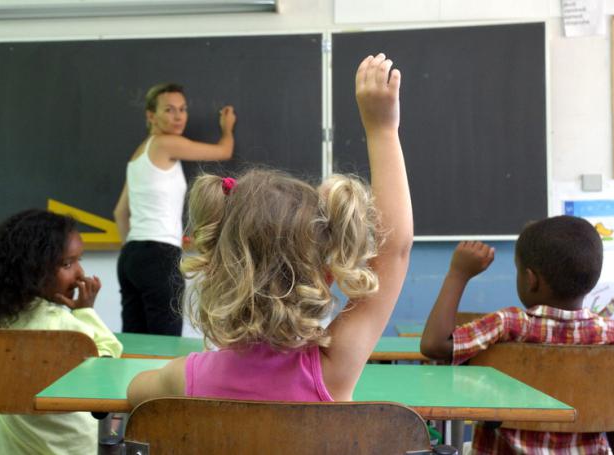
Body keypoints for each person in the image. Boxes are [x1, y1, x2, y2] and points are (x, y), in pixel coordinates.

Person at [127, 52, 412, 404]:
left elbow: (133, 391)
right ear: (325, 276)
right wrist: (382, 129)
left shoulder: (183, 379)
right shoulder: (332, 371)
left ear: (217, 271)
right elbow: (393, 250)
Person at [420, 216, 614, 454]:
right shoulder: (611, 336)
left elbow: (434, 344)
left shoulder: (509, 325)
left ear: (531, 279)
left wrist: (458, 273)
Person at [0, 209, 123, 455]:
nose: (80, 274)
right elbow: (109, 362)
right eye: (67, 263)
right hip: (73, 449)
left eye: (80, 261)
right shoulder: (60, 327)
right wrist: (86, 311)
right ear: (33, 269)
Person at [114, 83, 236, 335]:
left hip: (131, 257)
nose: (179, 116)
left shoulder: (139, 154)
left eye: (182, 109)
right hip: (159, 256)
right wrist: (227, 129)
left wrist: (138, 249)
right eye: (169, 110)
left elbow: (120, 212)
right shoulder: (166, 143)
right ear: (151, 116)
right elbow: (224, 151)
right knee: (165, 343)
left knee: (134, 343)